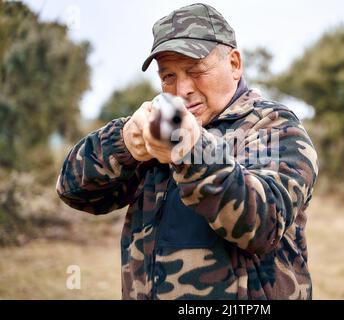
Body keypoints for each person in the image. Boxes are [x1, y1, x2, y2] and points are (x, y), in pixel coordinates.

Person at [56, 3, 319, 300]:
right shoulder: (157, 127)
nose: (181, 90)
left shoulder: (275, 127)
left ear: (234, 64)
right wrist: (124, 144)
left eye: (195, 71)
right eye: (168, 76)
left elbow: (263, 224)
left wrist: (193, 152)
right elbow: (72, 190)